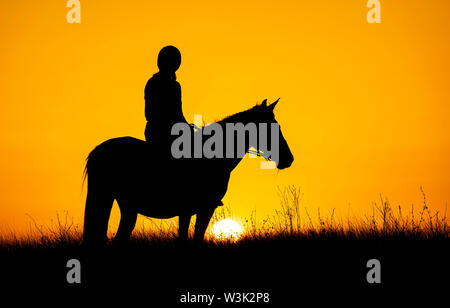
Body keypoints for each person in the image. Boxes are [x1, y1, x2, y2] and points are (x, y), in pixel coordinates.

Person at [144, 46, 189, 157]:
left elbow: (148, 114)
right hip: (168, 135)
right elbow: (178, 114)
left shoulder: (151, 82)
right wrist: (188, 128)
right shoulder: (174, 86)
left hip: (152, 132)